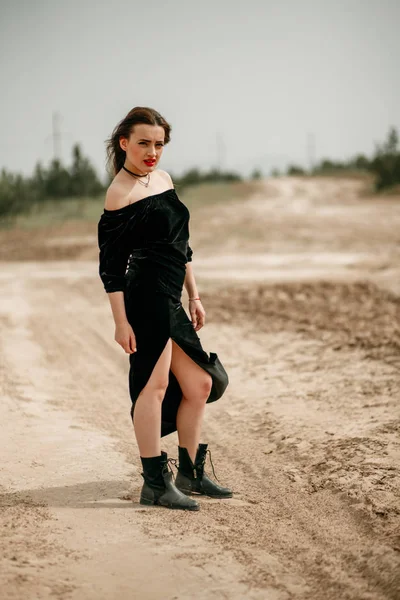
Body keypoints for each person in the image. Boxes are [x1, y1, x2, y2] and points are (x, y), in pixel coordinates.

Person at [97, 106, 232, 511]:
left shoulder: (163, 179)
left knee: (200, 385)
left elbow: (180, 244)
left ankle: (189, 473)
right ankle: (154, 481)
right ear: (124, 144)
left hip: (171, 296)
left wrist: (194, 294)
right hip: (144, 298)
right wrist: (121, 322)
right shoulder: (119, 195)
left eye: (158, 144)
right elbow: (111, 269)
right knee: (152, 387)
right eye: (143, 143)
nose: (152, 151)